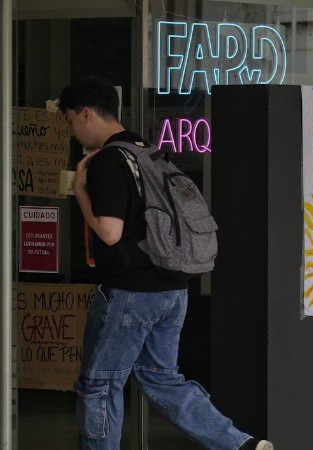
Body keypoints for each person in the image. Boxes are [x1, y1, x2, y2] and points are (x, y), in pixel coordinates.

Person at [59, 75, 273, 450]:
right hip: (173, 290)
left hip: (130, 292)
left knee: (99, 383)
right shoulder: (148, 151)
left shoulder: (110, 160)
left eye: (70, 120)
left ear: (86, 113)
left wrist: (79, 192)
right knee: (162, 378)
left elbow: (109, 233)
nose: (73, 131)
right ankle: (240, 444)